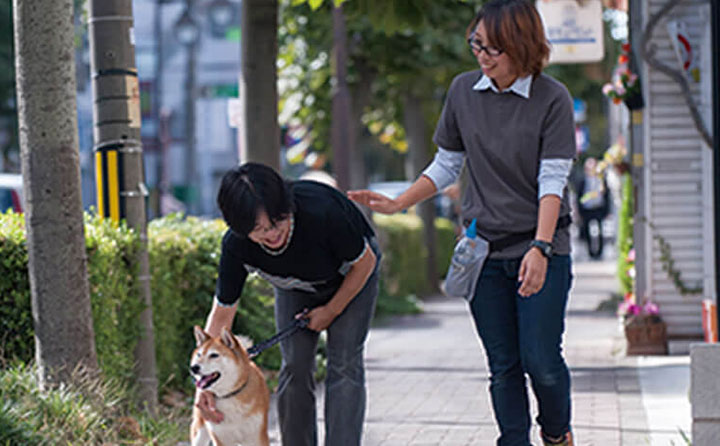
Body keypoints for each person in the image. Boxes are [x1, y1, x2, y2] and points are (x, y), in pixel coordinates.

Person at [348, 1, 575, 445]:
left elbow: (553, 180)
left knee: (542, 361)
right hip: (483, 250)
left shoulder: (553, 99)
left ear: (523, 46)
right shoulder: (463, 92)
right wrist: (400, 203)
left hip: (541, 247)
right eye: (477, 44)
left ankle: (556, 433)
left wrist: (541, 247)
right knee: (503, 365)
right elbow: (447, 165)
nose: (483, 56)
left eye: (495, 48)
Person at [196, 162, 381, 446]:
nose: (271, 234)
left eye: (277, 222)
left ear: (288, 208)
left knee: (344, 364)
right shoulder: (236, 245)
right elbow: (222, 313)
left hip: (353, 276)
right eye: (259, 230)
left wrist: (331, 310)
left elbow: (365, 262)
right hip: (295, 286)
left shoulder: (322, 212)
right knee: (295, 364)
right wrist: (203, 386)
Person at [574, 157, 611, 259]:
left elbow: (606, 195)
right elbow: (578, 196)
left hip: (598, 208)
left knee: (600, 231)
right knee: (587, 231)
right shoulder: (582, 180)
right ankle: (591, 252)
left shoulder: (601, 180)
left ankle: (599, 252)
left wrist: (607, 210)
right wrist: (578, 211)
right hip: (587, 209)